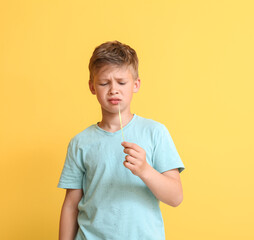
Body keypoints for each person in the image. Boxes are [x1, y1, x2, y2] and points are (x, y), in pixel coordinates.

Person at [58, 40, 185, 240]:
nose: (113, 90)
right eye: (104, 83)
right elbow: (71, 205)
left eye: (121, 82)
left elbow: (175, 197)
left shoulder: (155, 132)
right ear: (92, 87)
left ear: (136, 85)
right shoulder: (80, 142)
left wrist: (144, 170)